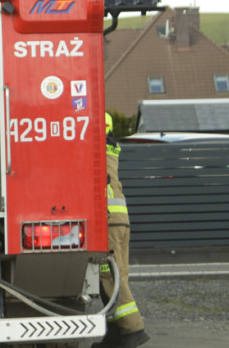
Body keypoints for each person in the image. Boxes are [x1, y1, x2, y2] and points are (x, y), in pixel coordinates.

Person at [97, 113, 150, 348]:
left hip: (109, 222)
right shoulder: (110, 148)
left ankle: (133, 331)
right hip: (120, 221)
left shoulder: (97, 150)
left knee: (110, 277)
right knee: (119, 277)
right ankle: (115, 334)